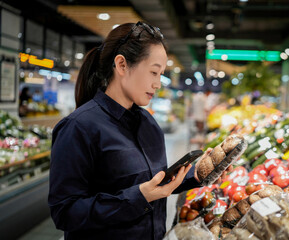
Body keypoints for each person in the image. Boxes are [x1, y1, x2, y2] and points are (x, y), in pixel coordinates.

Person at [48, 22, 230, 240]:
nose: (158, 84)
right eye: (154, 72)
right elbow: (65, 213)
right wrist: (137, 197)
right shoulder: (79, 127)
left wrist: (198, 173)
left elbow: (157, 184)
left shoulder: (148, 123)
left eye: (161, 74)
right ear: (122, 65)